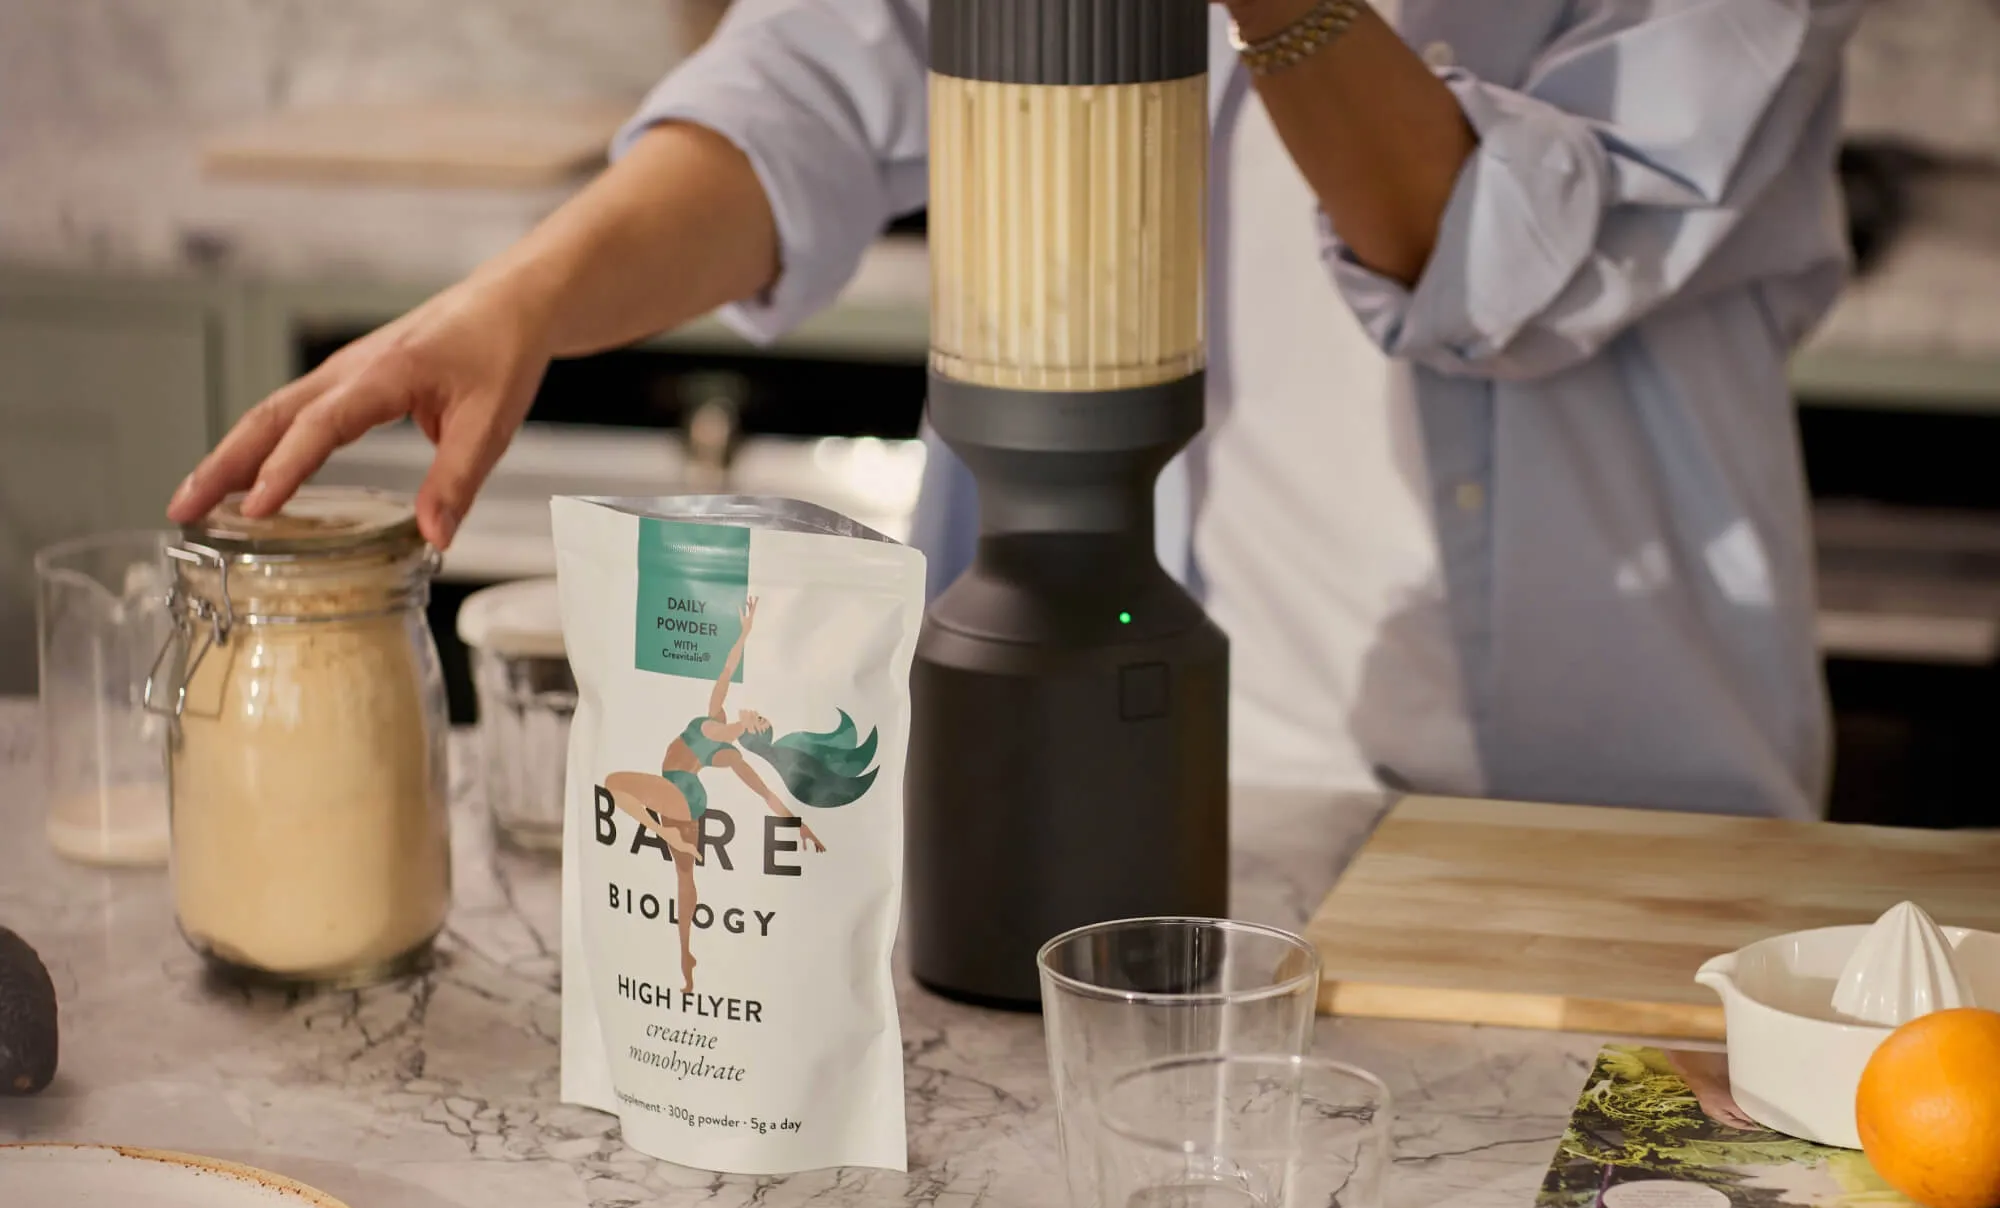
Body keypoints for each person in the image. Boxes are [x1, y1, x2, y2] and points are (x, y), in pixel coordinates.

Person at [166, 0, 1864, 818]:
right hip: (1157, 794)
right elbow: (810, 83)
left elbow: (1491, 259)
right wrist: (523, 301)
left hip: (1609, 807)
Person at [602, 596, 876, 991]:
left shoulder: (722, 739)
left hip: (677, 792)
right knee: (684, 879)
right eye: (759, 716)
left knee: (614, 784)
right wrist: (744, 633)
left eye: (759, 721)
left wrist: (800, 827)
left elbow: (763, 789)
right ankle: (686, 958)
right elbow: (726, 672)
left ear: (751, 729)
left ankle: (663, 834)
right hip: (685, 800)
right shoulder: (720, 730)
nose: (756, 716)